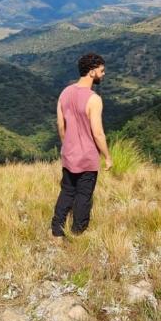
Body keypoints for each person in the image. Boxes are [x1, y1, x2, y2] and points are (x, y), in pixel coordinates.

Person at [51, 52, 112, 238]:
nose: (103, 74)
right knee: (84, 196)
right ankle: (78, 232)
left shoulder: (65, 92)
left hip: (69, 154)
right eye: (101, 71)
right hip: (87, 157)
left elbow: (61, 125)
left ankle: (56, 230)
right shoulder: (94, 99)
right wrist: (107, 157)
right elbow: (98, 133)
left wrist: (67, 145)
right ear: (92, 71)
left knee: (67, 191)